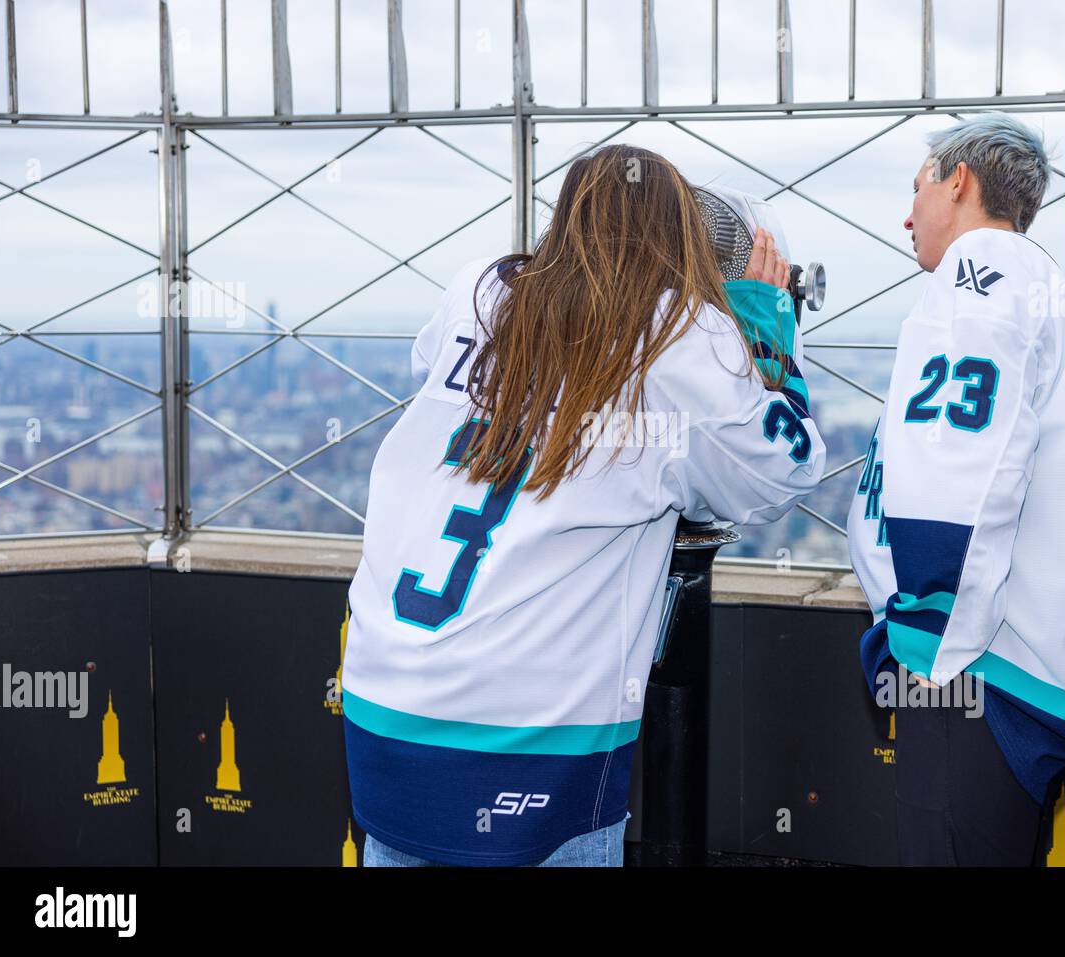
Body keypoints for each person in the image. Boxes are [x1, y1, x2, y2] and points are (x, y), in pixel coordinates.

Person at [342, 144, 825, 866]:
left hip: (383, 716)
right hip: (528, 740)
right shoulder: (678, 335)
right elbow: (784, 471)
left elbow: (434, 370)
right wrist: (760, 335)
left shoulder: (482, 285)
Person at [846, 113, 1065, 866]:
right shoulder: (1062, 300)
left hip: (970, 668)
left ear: (958, 180)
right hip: (1031, 665)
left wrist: (921, 643)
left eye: (918, 187)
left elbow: (961, 470)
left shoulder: (980, 272)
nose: (908, 214)